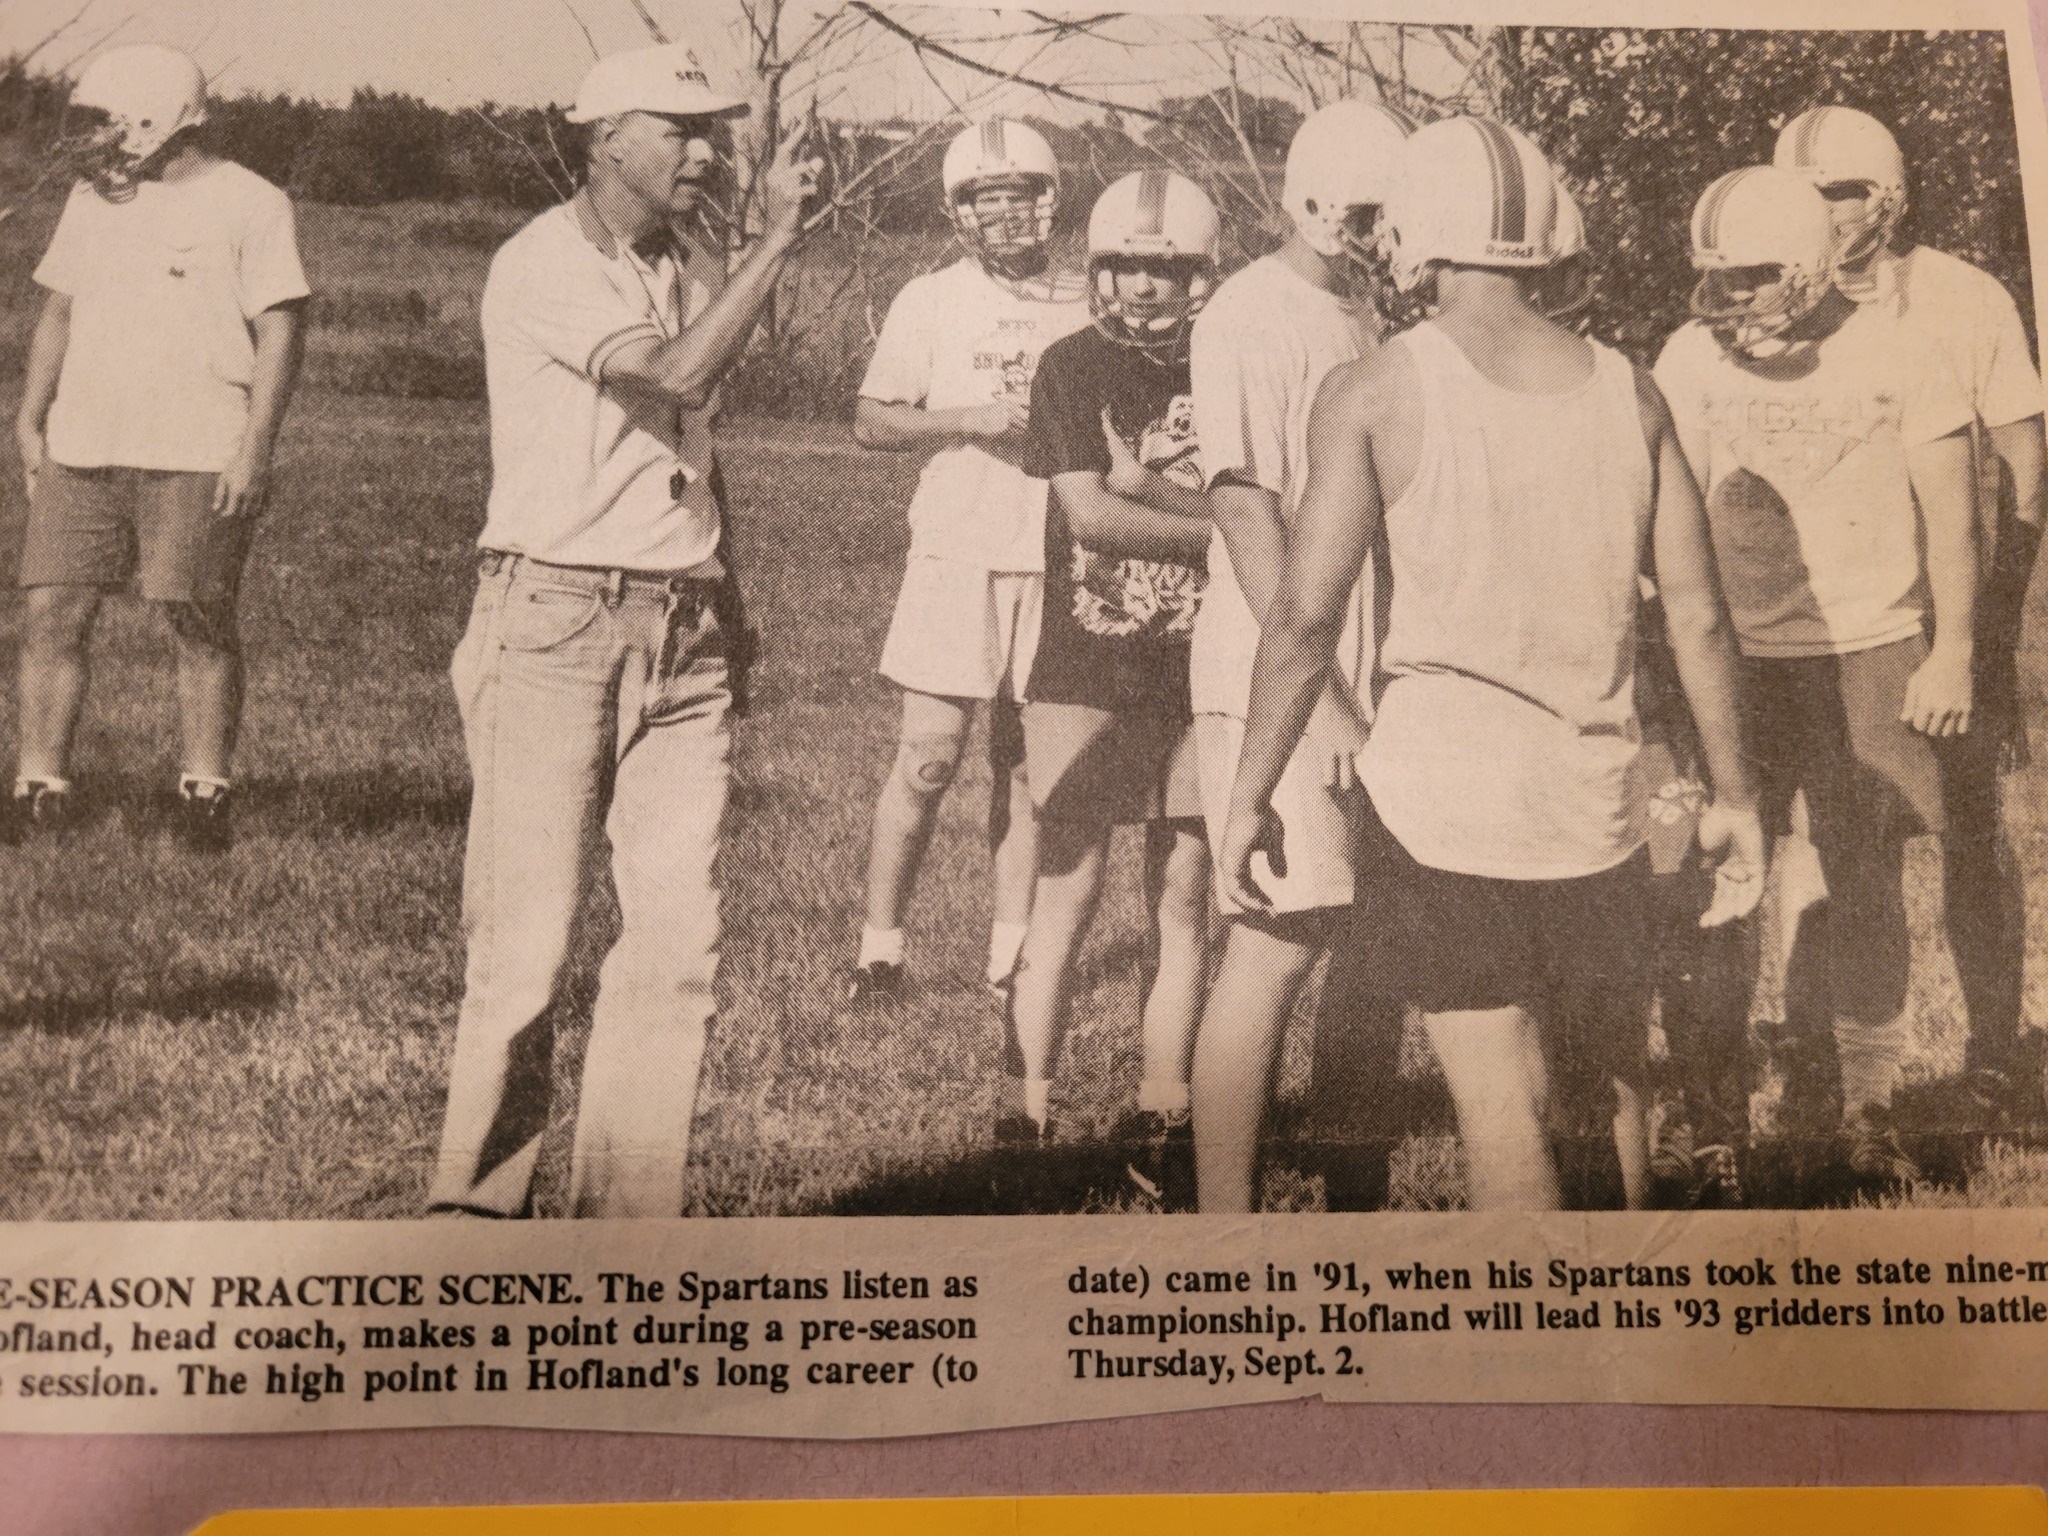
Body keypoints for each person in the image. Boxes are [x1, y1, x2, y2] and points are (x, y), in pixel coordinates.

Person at [1221, 116, 1765, 1212]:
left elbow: (1299, 619)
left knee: (1498, 1106)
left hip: (1441, 810)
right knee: (1605, 1083)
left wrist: (1246, 791)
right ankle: (1615, 1347)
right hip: (1597, 805)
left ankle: (1537, 1364)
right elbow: (1700, 621)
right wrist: (1737, 797)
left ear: (1415, 232)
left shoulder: (1374, 388)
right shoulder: (1632, 390)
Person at [427, 43, 819, 1218]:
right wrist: (780, 240)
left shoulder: (690, 260)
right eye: (680, 129)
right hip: (553, 617)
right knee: (524, 951)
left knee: (676, 951)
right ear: (605, 138)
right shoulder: (543, 262)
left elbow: (694, 458)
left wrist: (726, 597)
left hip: (684, 630)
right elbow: (678, 385)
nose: (707, 152)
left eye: (716, 131)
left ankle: (622, 1241)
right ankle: (472, 1221)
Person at [1655, 163, 1978, 1195]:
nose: (1724, 299)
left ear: (1801, 266)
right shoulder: (1689, 357)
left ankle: (1864, 1104)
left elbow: (1952, 519)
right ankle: (1707, 1117)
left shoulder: (1898, 350)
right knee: (1715, 882)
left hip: (1864, 645)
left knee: (1862, 877)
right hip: (1733, 658)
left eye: (1746, 276)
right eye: (1712, 276)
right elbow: (1659, 513)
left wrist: (1954, 646)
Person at [1774, 106, 2046, 1129]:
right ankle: (1838, 1069)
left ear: (1881, 200)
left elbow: (2023, 463)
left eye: (1832, 191)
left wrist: (1983, 626)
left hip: (1944, 614)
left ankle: (1992, 1051)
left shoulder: (1960, 297)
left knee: (1970, 830)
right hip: (1837, 622)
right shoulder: (1776, 302)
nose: (1813, 213)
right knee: (1842, 836)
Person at [1185, 97, 1416, 1215]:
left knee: (1374, 944)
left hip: (1368, 664)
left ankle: (1352, 1208)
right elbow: (1242, 515)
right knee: (1275, 943)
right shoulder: (1245, 314)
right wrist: (1320, 700)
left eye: (1392, 214)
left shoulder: (1368, 318)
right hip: (1275, 670)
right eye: (1364, 213)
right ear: (1312, 203)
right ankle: (1220, 1230)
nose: (1378, 234)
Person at [8, 43, 308, 852]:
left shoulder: (254, 202)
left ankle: (204, 794)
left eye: (107, 122)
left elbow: (281, 329)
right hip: (86, 442)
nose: (95, 140)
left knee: (196, 616)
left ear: (157, 118)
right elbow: (60, 313)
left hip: (199, 446)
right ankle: (40, 789)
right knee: (51, 610)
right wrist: (29, 419)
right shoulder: (92, 200)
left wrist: (254, 448)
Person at [1003, 171, 1217, 1201]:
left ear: (1200, 276)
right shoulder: (1068, 366)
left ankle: (1160, 1116)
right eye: (1126, 264)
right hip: (1085, 660)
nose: (1143, 284)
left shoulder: (1227, 367)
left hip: (1193, 667)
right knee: (1066, 892)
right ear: (1097, 270)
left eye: (1167, 267)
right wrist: (1220, 532)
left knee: (1181, 896)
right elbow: (1088, 516)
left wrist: (1153, 490)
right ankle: (1025, 1113)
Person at [844, 120, 1090, 1011]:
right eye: (989, 200)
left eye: (1021, 195)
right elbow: (873, 420)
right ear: (962, 214)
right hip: (957, 550)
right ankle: (880, 954)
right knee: (927, 759)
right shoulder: (931, 298)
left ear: (1049, 199)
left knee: (1029, 772)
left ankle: (1008, 963)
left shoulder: (1086, 296)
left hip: (1059, 552)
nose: (1008, 215)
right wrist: (969, 418)